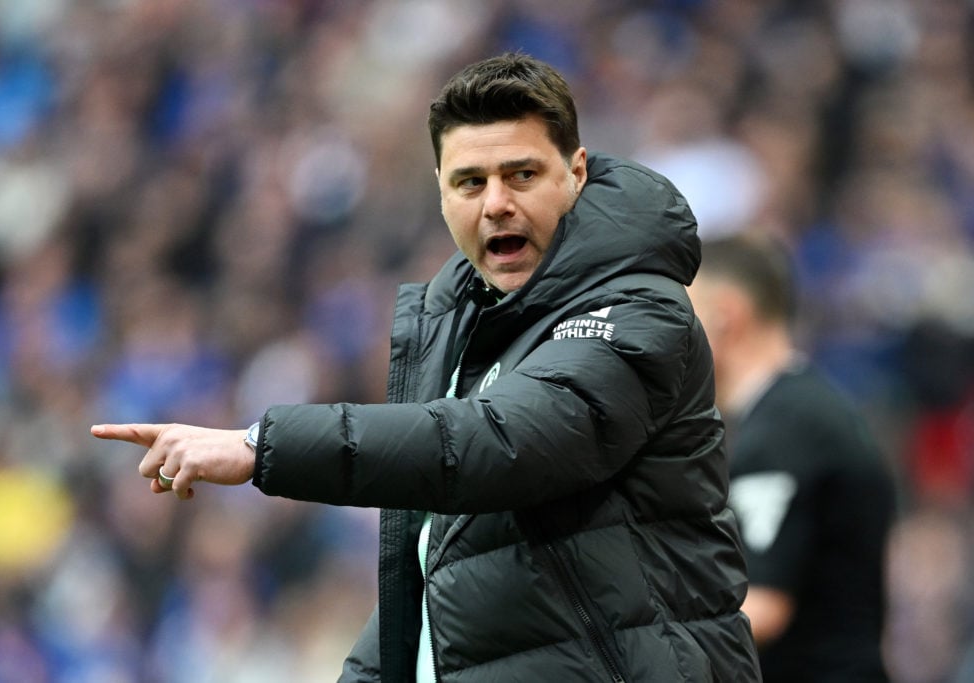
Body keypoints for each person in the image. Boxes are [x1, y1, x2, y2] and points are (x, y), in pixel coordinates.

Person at [93, 53, 761, 682]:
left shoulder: (637, 310)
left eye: (521, 174)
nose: (495, 202)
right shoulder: (467, 330)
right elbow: (434, 567)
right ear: (441, 197)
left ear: (576, 173)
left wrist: (260, 445)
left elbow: (498, 444)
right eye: (469, 182)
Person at [688, 234, 897, 682]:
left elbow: (761, 606)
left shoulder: (787, 426)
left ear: (726, 317)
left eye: (684, 314)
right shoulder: (800, 409)